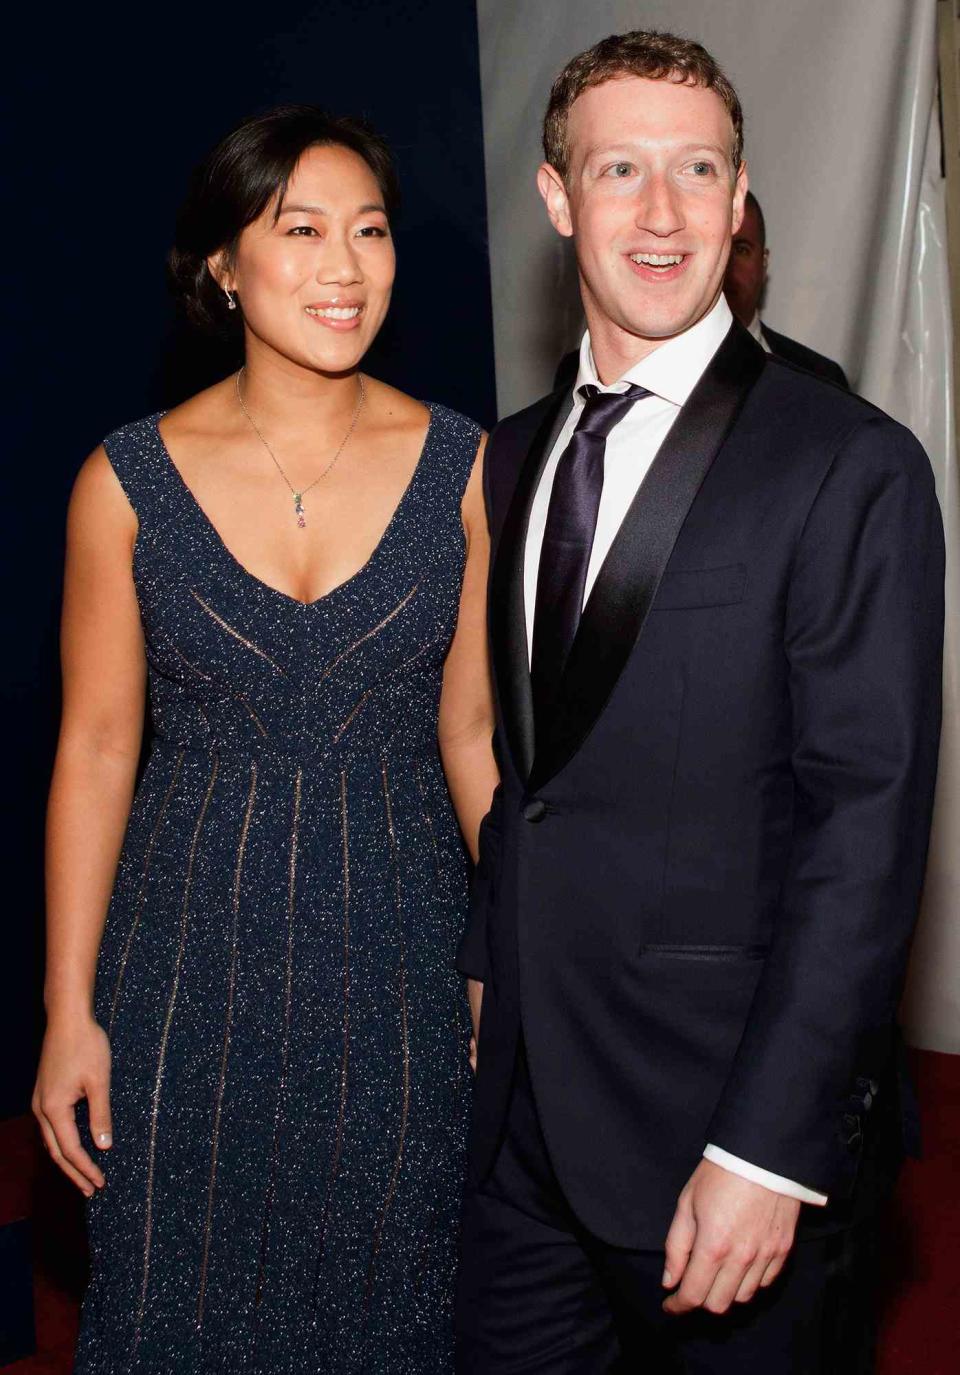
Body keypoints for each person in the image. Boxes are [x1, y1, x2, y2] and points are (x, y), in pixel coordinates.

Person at [456, 30, 943, 1374]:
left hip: (717, 1129)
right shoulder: (511, 457)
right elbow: (529, 767)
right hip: (524, 1130)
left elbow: (868, 823)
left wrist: (767, 1144)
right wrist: (490, 965)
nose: (661, 212)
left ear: (740, 202)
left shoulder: (845, 462)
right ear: (558, 199)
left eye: (698, 170)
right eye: (620, 169)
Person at [32, 105, 497, 1373]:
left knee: (398, 1320)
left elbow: (471, 734)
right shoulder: (123, 482)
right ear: (223, 267)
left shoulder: (464, 467)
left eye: (372, 231)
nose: (347, 268)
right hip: (182, 992)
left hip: (399, 975)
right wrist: (68, 1009)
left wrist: (508, 958)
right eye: (302, 231)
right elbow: (96, 750)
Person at [724, 189, 849, 386]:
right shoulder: (658, 368)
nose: (726, 263)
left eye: (741, 249)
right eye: (719, 247)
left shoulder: (821, 379)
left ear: (763, 262)